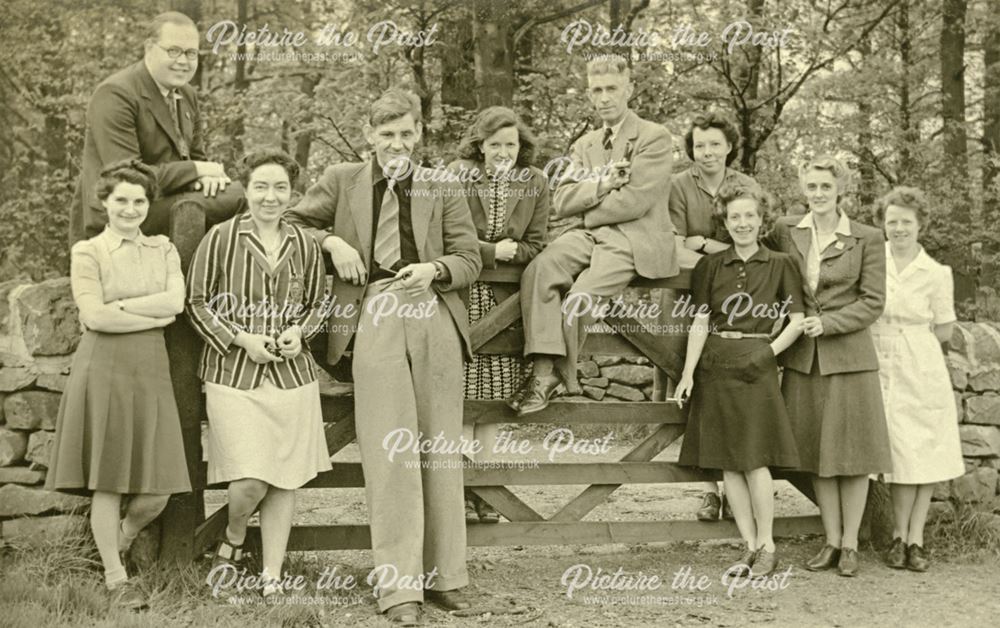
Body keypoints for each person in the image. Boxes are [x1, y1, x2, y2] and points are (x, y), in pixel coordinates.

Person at [285, 89, 482, 625]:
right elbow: (290, 222)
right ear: (369, 135)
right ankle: (399, 590)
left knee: (440, 448)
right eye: (387, 134)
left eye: (407, 133)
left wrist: (435, 270)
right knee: (389, 453)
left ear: (419, 135)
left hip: (434, 314)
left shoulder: (443, 184)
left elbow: (470, 258)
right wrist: (332, 243)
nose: (397, 143)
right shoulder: (342, 180)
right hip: (372, 313)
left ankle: (446, 577)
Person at [186, 149, 332, 598]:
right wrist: (241, 339)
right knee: (250, 479)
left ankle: (271, 575)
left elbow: (319, 303)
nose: (271, 196)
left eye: (281, 187)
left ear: (293, 193)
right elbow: (196, 302)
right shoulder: (220, 238)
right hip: (233, 376)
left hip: (292, 378)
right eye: (261, 187)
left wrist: (298, 333)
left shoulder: (305, 243)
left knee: (284, 477)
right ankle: (231, 543)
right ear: (246, 190)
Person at [45, 160, 191, 611]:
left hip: (150, 367)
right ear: (104, 202)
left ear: (150, 204)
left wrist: (122, 304)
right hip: (103, 366)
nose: (130, 209)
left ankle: (121, 539)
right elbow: (94, 316)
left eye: (139, 201)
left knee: (158, 489)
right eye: (121, 200)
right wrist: (149, 314)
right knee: (107, 481)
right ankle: (114, 578)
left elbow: (175, 303)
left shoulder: (163, 248)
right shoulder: (88, 252)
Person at [509, 55, 679, 415]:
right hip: (588, 234)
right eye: (597, 90)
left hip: (633, 239)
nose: (604, 97)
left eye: (612, 89)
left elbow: (635, 202)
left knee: (580, 299)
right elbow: (562, 199)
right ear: (589, 95)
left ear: (629, 89)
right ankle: (545, 374)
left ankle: (551, 375)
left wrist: (586, 207)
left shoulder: (654, 137)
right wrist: (602, 183)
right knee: (541, 268)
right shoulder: (585, 145)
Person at [764, 155, 890, 577]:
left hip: (850, 359)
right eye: (812, 187)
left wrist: (829, 323)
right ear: (804, 190)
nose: (818, 194)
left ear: (841, 191)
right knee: (817, 454)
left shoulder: (867, 238)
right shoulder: (786, 231)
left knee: (852, 456)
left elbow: (873, 302)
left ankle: (851, 544)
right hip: (803, 360)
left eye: (826, 187)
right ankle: (830, 541)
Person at [675, 181, 804, 577]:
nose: (743, 223)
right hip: (715, 364)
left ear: (762, 220)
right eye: (735, 217)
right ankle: (747, 547)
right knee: (728, 463)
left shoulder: (782, 264)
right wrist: (687, 374)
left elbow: (797, 320)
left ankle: (768, 544)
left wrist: (767, 354)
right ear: (725, 222)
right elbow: (699, 320)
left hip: (757, 363)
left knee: (755, 461)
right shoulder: (709, 266)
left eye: (750, 216)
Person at [449, 106, 551, 524]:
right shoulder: (456, 175)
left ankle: (485, 491)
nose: (503, 152)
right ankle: (456, 490)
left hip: (505, 302)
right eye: (495, 145)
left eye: (511, 144)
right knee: (458, 398)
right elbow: (443, 233)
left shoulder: (535, 182)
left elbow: (538, 242)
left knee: (492, 398)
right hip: (460, 296)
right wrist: (490, 252)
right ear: (479, 145)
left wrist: (512, 254)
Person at [70, 11, 243, 244]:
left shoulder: (187, 94)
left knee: (254, 193)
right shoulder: (115, 94)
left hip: (170, 199)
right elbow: (128, 178)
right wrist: (197, 170)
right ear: (149, 48)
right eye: (173, 51)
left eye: (191, 53)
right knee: (243, 196)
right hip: (122, 211)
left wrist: (207, 177)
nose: (183, 61)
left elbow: (196, 157)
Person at [669, 111, 757, 522]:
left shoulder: (745, 187)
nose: (707, 152)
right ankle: (708, 490)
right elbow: (671, 243)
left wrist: (704, 244)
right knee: (690, 382)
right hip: (688, 299)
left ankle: (742, 476)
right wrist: (718, 254)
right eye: (700, 144)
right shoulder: (678, 186)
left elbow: (754, 243)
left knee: (735, 385)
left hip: (739, 301)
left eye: (715, 144)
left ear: (729, 147)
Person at [871, 186, 964, 572]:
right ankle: (896, 536)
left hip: (921, 364)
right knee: (896, 454)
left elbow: (944, 329)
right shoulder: (875, 263)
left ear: (920, 224)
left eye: (906, 222)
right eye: (891, 222)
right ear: (883, 225)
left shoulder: (937, 273)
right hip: (880, 359)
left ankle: (916, 540)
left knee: (922, 453)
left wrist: (913, 341)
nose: (899, 229)